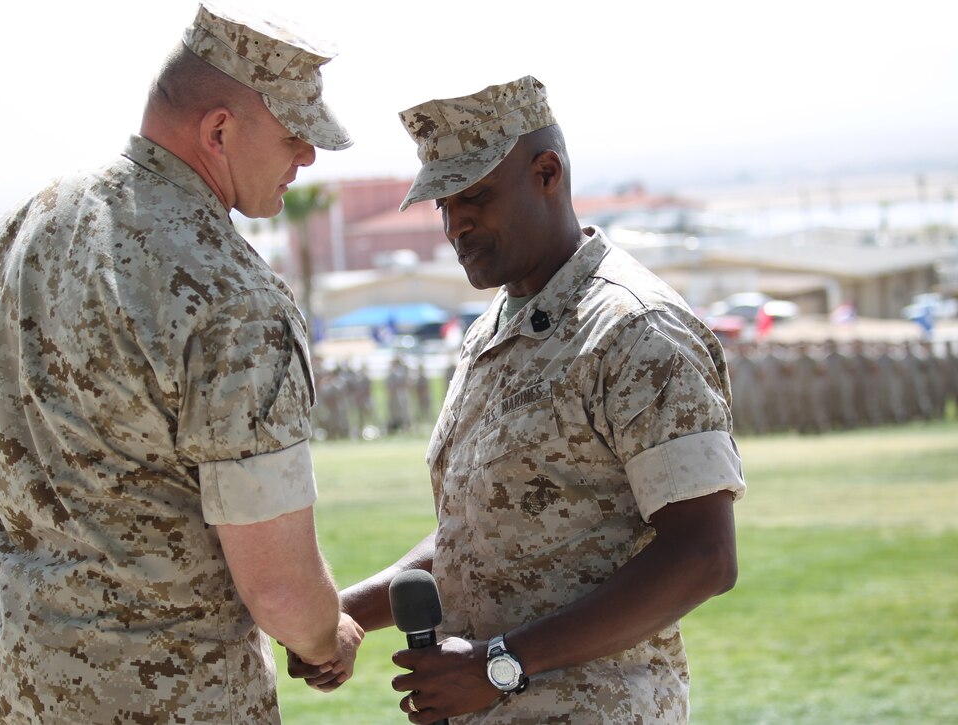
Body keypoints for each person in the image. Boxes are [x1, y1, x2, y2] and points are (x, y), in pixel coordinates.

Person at [291, 76, 745, 723]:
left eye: (474, 193)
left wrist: (502, 663)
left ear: (547, 172)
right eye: (442, 202)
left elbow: (703, 555)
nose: (455, 222)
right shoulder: (491, 331)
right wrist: (342, 615)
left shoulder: (633, 329)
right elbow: (479, 533)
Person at [0, 3, 363, 721]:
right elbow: (277, 588)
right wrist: (324, 633)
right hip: (170, 696)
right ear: (219, 130)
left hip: (25, 683)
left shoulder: (29, 223)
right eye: (294, 134)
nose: (306, 156)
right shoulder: (235, 295)